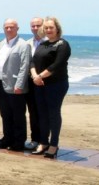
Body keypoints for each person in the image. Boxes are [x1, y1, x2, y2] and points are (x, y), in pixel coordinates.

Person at [30, 17, 71, 159]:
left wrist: (40, 76)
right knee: (42, 114)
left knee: (53, 113)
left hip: (56, 84)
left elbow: (57, 65)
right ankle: (43, 142)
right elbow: (32, 62)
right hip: (39, 84)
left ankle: (54, 144)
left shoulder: (63, 44)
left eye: (51, 28)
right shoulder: (43, 44)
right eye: (46, 28)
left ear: (57, 28)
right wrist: (35, 76)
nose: (48, 30)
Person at [0, 19, 30, 152]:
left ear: (17, 29)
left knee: (18, 115)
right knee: (5, 114)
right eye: (6, 27)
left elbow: (24, 67)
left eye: (11, 27)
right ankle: (7, 138)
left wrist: (19, 85)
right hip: (1, 83)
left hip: (15, 86)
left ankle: (19, 142)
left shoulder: (23, 45)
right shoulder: (2, 44)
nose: (9, 30)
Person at [25, 16, 45, 150]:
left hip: (45, 81)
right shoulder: (28, 43)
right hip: (30, 81)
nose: (35, 28)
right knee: (32, 111)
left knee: (43, 112)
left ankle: (44, 141)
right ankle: (35, 139)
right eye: (33, 26)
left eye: (38, 25)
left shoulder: (49, 42)